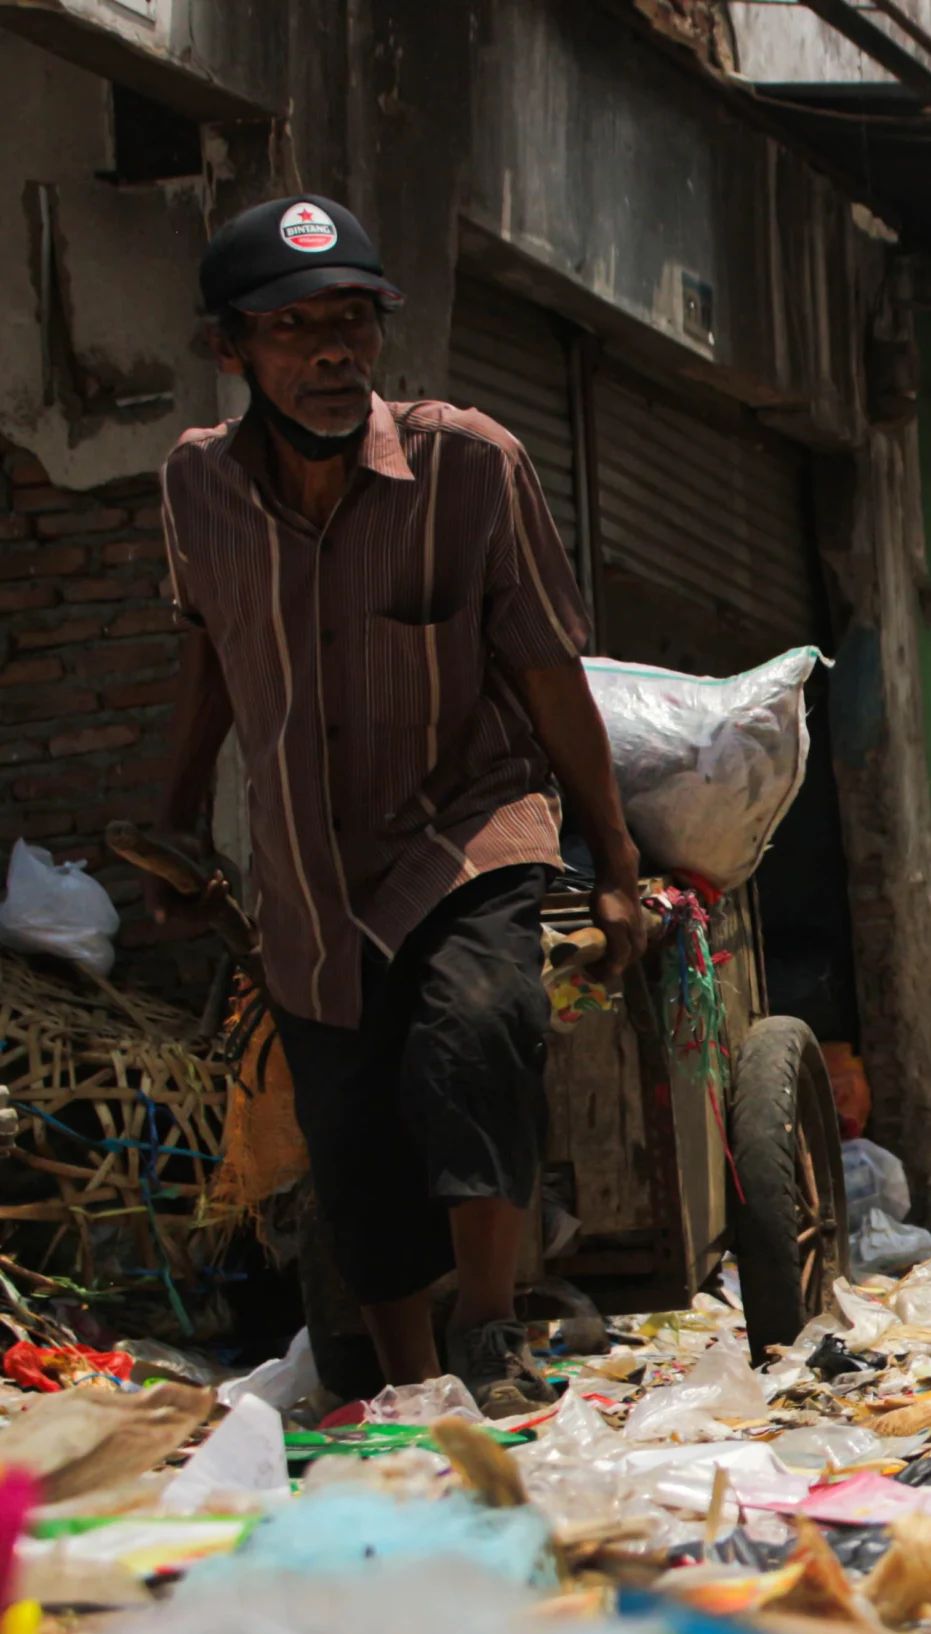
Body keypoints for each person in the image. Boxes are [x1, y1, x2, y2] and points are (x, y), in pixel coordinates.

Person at [151, 195, 645, 1415]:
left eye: (355, 323)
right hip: (309, 860)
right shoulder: (195, 487)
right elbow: (209, 655)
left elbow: (545, 669)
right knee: (347, 1114)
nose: (333, 353)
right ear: (231, 350)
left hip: (467, 821)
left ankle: (485, 1325)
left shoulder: (469, 464)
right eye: (294, 328)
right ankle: (412, 1382)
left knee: (474, 1026)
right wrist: (168, 822)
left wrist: (620, 859)